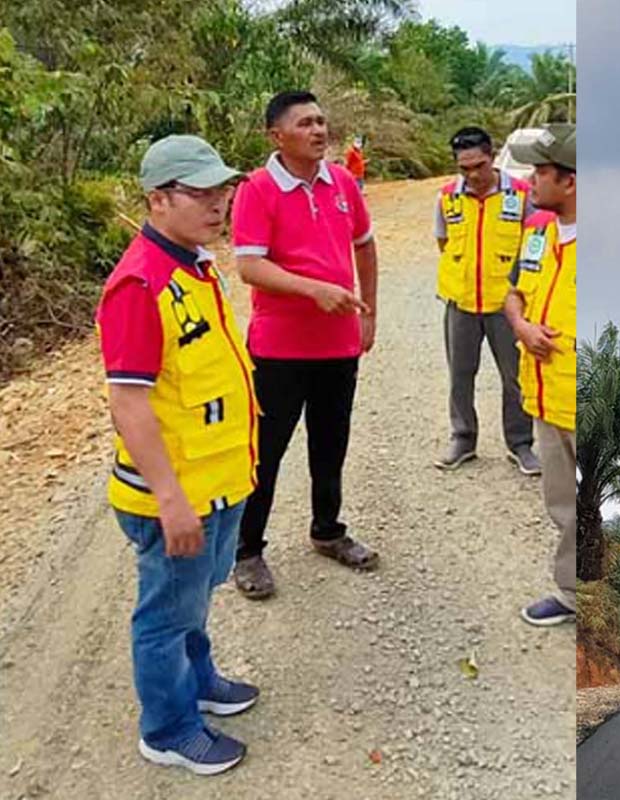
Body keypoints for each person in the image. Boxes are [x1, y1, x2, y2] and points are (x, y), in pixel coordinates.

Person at [96, 134, 259, 775]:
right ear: (158, 200)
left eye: (223, 191)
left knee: (194, 598)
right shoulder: (140, 283)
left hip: (217, 483)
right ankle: (168, 727)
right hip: (177, 497)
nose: (219, 204)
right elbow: (129, 403)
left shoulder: (193, 263)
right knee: (164, 616)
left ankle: (201, 680)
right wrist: (171, 502)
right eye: (202, 193)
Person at [230, 90, 379, 600]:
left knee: (330, 445)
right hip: (279, 350)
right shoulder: (256, 189)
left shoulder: (341, 181)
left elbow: (365, 244)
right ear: (277, 135)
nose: (319, 130)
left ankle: (327, 530)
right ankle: (246, 550)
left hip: (337, 347)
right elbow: (250, 265)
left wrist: (369, 313)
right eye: (305, 123)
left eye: (321, 121)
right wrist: (314, 289)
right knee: (265, 453)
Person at [433, 126, 540, 476]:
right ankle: (463, 439)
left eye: (478, 166)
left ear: (492, 157)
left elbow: (534, 251)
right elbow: (444, 243)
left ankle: (520, 443)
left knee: (514, 376)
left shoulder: (523, 196)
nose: (472, 175)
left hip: (506, 307)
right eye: (464, 168)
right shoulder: (447, 197)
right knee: (460, 376)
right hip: (461, 303)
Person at [504, 124, 577, 626]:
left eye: (541, 171)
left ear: (570, 182)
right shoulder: (536, 233)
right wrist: (522, 326)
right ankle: (574, 597)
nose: (531, 180)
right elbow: (513, 295)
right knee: (563, 504)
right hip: (547, 397)